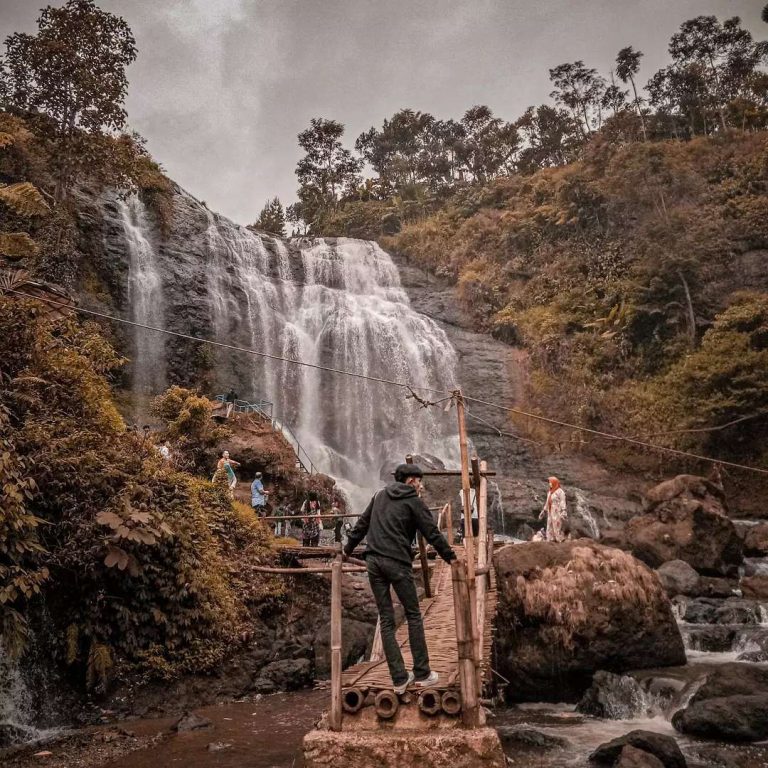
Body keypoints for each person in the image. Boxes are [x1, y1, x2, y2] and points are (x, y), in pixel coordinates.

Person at [344, 463, 456, 694]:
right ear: (409, 481)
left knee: (386, 620)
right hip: (396, 562)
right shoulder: (414, 502)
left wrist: (346, 551)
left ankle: (398, 679)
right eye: (419, 480)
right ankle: (423, 673)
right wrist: (451, 558)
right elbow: (432, 533)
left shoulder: (379, 496)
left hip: (373, 562)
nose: (421, 484)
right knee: (414, 614)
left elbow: (361, 526)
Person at [539, 476, 568, 542]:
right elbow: (547, 501)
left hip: (557, 511)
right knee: (549, 525)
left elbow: (563, 501)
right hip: (550, 510)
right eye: (549, 482)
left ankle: (559, 540)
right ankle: (550, 539)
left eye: (550, 482)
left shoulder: (560, 492)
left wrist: (563, 510)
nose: (549, 484)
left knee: (556, 525)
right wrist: (543, 511)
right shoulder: (550, 492)